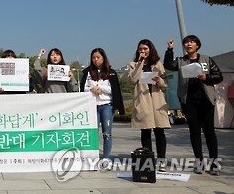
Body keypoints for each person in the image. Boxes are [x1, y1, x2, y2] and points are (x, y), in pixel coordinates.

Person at [163, 35, 223, 175]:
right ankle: (199, 162)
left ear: (197, 45)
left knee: (209, 133)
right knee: (194, 132)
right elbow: (168, 65)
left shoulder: (206, 60)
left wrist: (206, 77)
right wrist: (169, 49)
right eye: (186, 42)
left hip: (206, 101)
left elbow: (218, 76)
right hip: (189, 101)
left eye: (192, 42)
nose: (189, 44)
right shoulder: (180, 61)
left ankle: (214, 164)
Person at [127, 39, 170, 171]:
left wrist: (159, 80)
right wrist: (140, 63)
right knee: (145, 131)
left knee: (159, 131)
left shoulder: (157, 64)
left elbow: (165, 84)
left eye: (145, 49)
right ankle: (148, 161)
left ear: (150, 49)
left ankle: (162, 160)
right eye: (140, 49)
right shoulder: (133, 64)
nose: (143, 51)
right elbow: (133, 79)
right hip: (143, 100)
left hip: (156, 100)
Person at [80, 48, 125, 164]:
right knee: (93, 133)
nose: (96, 60)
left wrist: (100, 89)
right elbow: (84, 88)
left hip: (106, 105)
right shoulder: (87, 72)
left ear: (103, 58)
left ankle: (106, 158)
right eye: (93, 58)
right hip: (92, 106)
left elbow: (113, 90)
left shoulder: (111, 72)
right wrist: (93, 89)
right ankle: (92, 157)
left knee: (107, 133)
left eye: (98, 57)